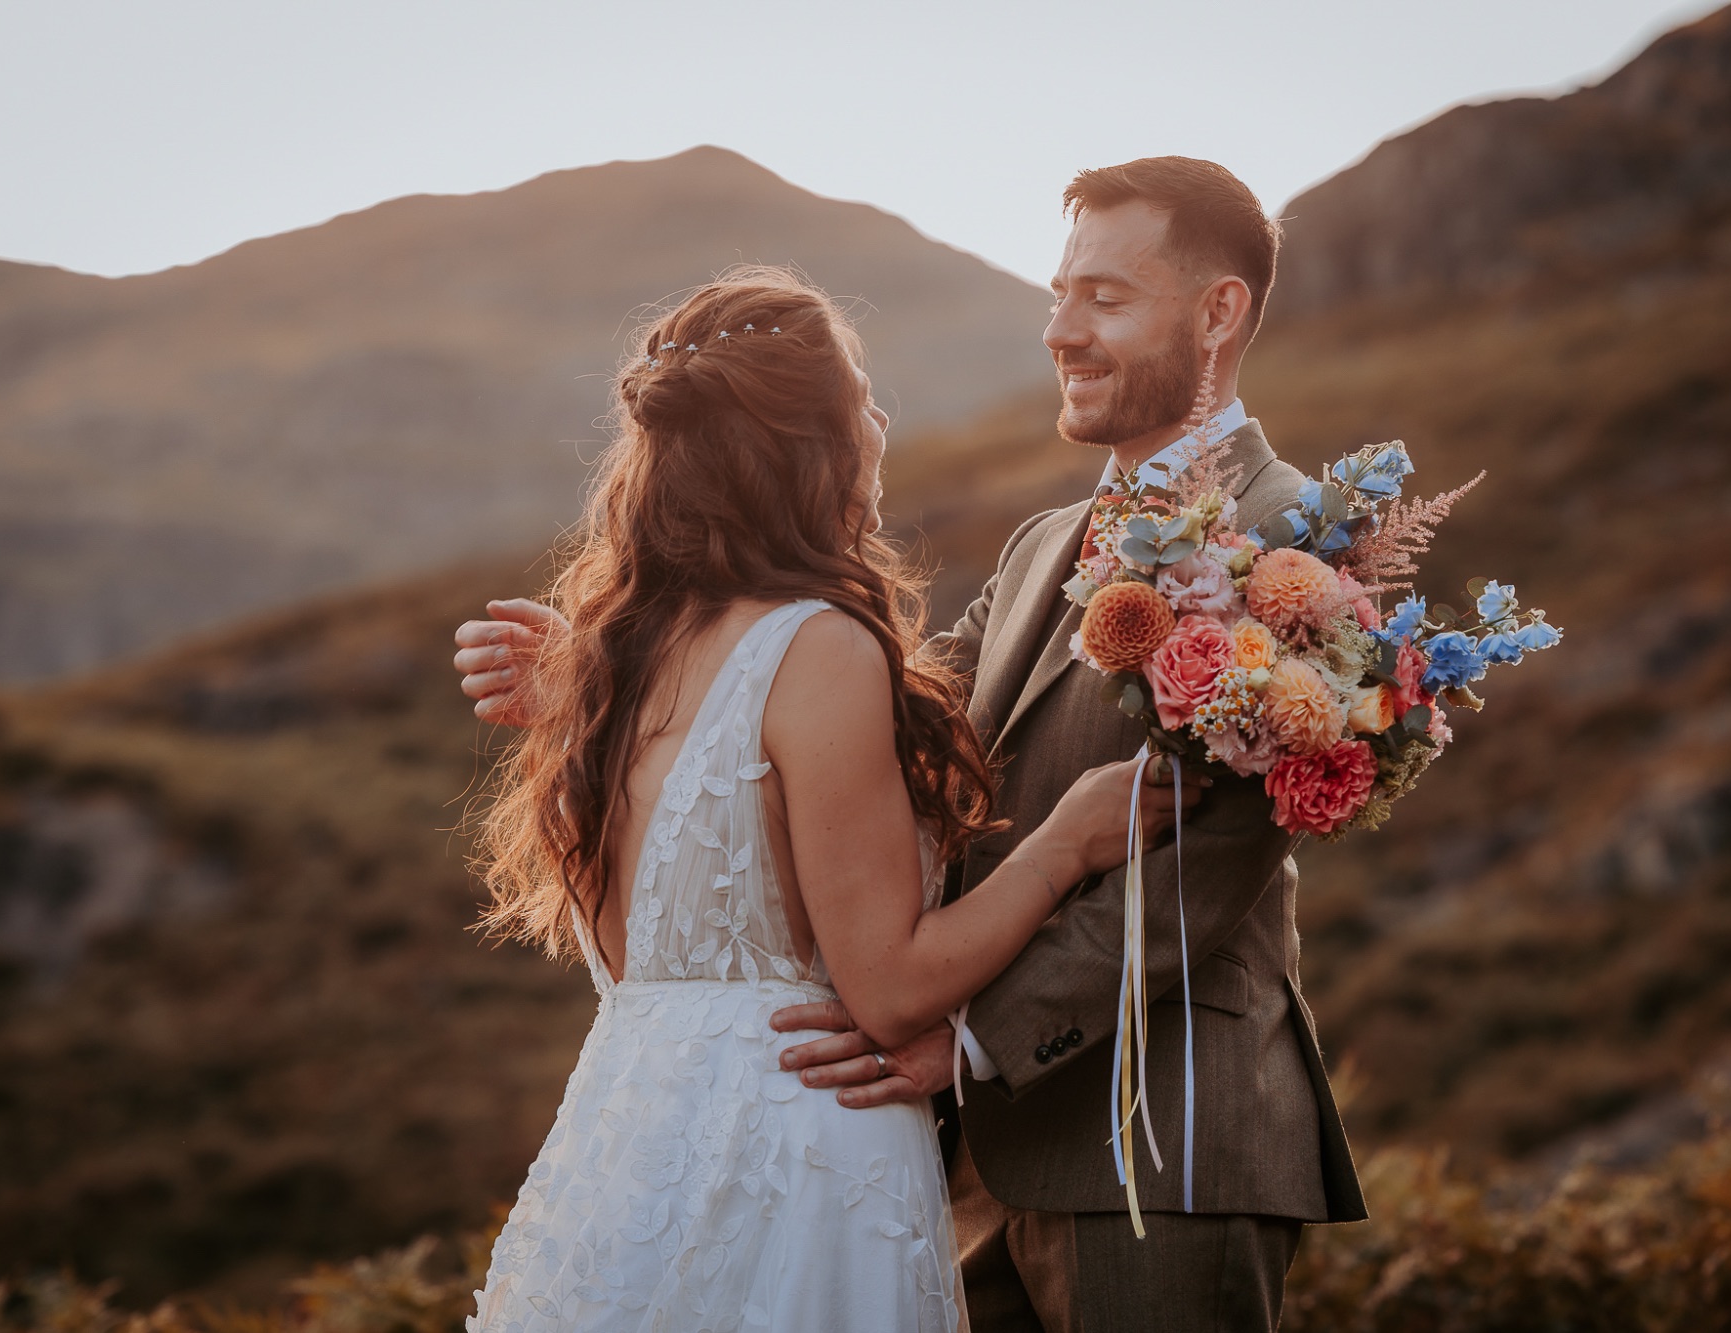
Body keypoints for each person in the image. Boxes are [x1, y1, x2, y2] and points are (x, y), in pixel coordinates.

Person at [459, 159, 1367, 1332]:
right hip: (952, 1153)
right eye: (1057, 294)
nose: (1060, 330)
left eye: (1102, 296)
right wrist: (610, 687)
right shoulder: (1044, 544)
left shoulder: (1296, 538)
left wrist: (972, 1041)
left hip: (1155, 1136)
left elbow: (1212, 849)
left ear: (1217, 312)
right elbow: (838, 735)